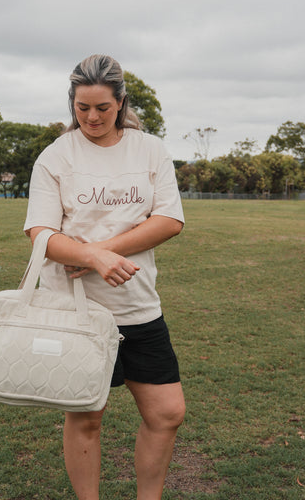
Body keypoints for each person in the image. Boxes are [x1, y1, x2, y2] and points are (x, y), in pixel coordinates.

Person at [24, 54, 185, 500]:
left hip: (137, 308)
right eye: (82, 108)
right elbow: (41, 233)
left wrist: (99, 252)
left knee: (167, 413)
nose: (92, 117)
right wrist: (90, 261)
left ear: (120, 103)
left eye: (102, 108)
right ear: (72, 105)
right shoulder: (55, 156)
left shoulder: (150, 149)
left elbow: (169, 219)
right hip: (76, 312)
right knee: (86, 416)